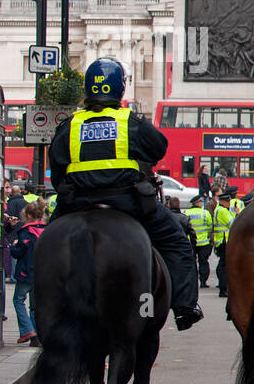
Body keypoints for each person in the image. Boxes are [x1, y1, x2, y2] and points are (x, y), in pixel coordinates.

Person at [47, 57, 203, 331]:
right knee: (177, 243)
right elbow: (159, 148)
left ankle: (41, 306)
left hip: (78, 205)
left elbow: (57, 169)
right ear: (119, 88)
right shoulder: (130, 122)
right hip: (128, 203)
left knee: (46, 245)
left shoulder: (70, 125)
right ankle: (185, 307)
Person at [10, 201, 46, 345]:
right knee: (35, 306)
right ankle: (36, 338)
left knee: (18, 300)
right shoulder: (47, 230)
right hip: (42, 273)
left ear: (29, 216)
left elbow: (19, 252)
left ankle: (27, 330)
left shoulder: (26, 232)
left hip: (26, 272)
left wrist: (13, 247)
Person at [184, 194, 214, 287]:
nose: (202, 203)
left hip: (191, 243)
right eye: (201, 202)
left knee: (192, 263)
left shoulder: (186, 213)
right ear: (198, 203)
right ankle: (203, 282)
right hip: (204, 242)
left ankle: (193, 281)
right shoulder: (205, 213)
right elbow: (210, 226)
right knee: (203, 262)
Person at [212, 192, 235, 298]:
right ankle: (223, 288)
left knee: (222, 265)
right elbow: (233, 223)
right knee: (223, 266)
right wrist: (237, 213)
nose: (229, 203)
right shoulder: (223, 211)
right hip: (224, 241)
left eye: (229, 201)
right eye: (227, 201)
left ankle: (223, 288)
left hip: (220, 241)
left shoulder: (218, 209)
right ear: (222, 202)